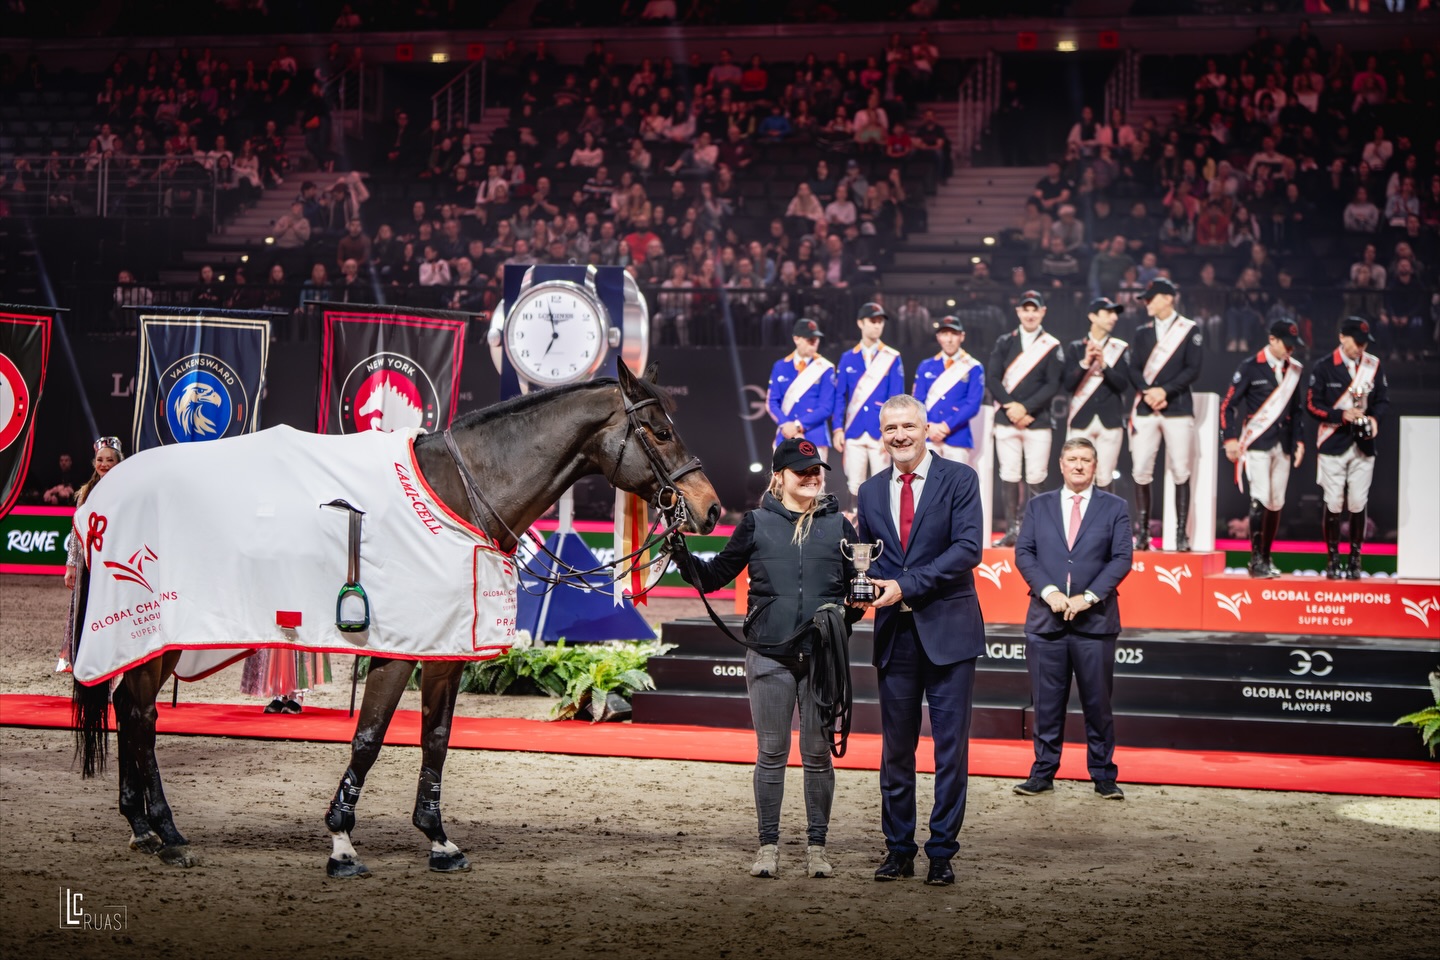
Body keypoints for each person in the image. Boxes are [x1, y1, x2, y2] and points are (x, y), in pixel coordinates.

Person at [670, 439, 860, 880]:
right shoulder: (756, 523)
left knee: (817, 755)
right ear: (779, 476)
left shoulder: (841, 526)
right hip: (770, 657)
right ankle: (768, 846)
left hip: (822, 658)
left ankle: (817, 847)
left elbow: (858, 587)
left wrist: (844, 615)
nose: (812, 477)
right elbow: (715, 576)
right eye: (802, 471)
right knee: (771, 754)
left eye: (817, 470)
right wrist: (683, 557)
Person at [855, 394, 985, 887]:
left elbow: (968, 549)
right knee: (896, 752)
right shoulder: (868, 491)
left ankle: (942, 852)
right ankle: (898, 849)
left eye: (909, 426)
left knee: (950, 752)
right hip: (896, 637)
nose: (900, 436)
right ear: (882, 433)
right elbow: (870, 560)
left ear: (927, 428)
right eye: (891, 429)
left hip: (948, 634)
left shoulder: (960, 479)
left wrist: (904, 586)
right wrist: (857, 589)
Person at [1012, 437, 1133, 801]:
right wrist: (1050, 593)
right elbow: (1024, 553)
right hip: (1046, 623)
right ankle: (1043, 773)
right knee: (1046, 704)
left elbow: (1121, 559)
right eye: (1072, 459)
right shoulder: (1038, 505)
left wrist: (1088, 598)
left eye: (1086, 460)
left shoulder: (1116, 507)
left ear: (1095, 466)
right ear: (1061, 465)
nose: (1078, 466)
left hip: (1094, 624)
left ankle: (1104, 776)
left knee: (1098, 704)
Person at [1221, 320, 1308, 578]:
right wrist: (1230, 439)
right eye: (1286, 345)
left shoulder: (1294, 370)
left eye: (1294, 346)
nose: (1290, 351)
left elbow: (1297, 410)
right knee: (1259, 497)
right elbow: (1228, 405)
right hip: (1257, 443)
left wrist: (1299, 441)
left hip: (1282, 445)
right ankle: (1255, 559)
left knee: (1275, 502)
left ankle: (1267, 557)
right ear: (1272, 339)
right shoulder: (1250, 367)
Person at [1305, 317, 1389, 581]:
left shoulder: (1373, 365)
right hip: (1333, 442)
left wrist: (1374, 419)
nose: (1361, 348)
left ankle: (1355, 558)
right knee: (1333, 502)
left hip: (1364, 444)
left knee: (1357, 503)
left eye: (1365, 343)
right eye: (1357, 342)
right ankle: (1333, 559)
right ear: (1342, 337)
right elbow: (1312, 405)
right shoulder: (1324, 367)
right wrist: (1341, 415)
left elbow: (1383, 401)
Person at [1127, 277, 1203, 551]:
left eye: (1151, 298)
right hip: (1147, 407)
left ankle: (1181, 534)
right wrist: (1148, 391)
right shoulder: (1142, 332)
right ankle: (1143, 532)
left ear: (1168, 298)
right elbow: (1133, 368)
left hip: (1177, 407)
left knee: (1181, 470)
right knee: (1141, 469)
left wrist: (1165, 392)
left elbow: (1192, 369)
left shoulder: (1189, 329)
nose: (1146, 303)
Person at [987, 290, 1063, 546]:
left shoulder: (1052, 345)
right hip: (1007, 419)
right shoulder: (1004, 342)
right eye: (1025, 309)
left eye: (1035, 309)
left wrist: (1026, 409)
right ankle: (1012, 529)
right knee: (1008, 473)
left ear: (1042, 312)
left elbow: (1053, 384)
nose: (1030, 314)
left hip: (1038, 421)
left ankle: (1035, 532)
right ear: (1018, 312)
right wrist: (1010, 407)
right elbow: (993, 378)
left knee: (1036, 475)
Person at [831, 303, 905, 511]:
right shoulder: (848, 357)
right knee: (854, 484)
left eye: (880, 322)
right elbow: (839, 397)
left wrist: (891, 432)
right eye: (873, 321)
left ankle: (882, 531)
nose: (877, 326)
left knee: (883, 484)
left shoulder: (892, 357)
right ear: (860, 323)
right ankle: (855, 530)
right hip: (854, 431)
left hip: (879, 432)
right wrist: (837, 428)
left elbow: (896, 400)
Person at [60, 438, 124, 672]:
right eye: (100, 460)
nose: (104, 464)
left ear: (119, 462)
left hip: (115, 562)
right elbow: (76, 532)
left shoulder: (127, 490)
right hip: (89, 562)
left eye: (110, 460)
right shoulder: (86, 493)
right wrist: (70, 566)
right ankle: (81, 658)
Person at [1064, 298, 1130, 490]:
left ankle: (1105, 521)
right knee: (1078, 478)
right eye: (1108, 313)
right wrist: (1085, 363)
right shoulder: (1076, 347)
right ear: (1092, 316)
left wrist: (1104, 365)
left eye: (1115, 313)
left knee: (1104, 477)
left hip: (1110, 420)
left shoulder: (1120, 348)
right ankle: (1079, 521)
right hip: (1081, 419)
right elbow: (1068, 384)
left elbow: (1123, 384)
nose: (1114, 317)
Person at [912, 316, 984, 467]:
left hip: (958, 436)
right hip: (928, 436)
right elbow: (917, 402)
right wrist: (929, 427)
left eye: (954, 334)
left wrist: (946, 426)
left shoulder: (974, 367)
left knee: (956, 488)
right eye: (945, 334)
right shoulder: (925, 366)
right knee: (928, 487)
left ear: (962, 336)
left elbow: (973, 404)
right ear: (938, 337)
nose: (949, 339)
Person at [767, 319, 836, 453]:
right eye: (809, 338)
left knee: (815, 475)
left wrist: (798, 426)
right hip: (785, 435)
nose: (814, 342)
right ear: (796, 339)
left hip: (815, 436)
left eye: (816, 338)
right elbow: (772, 402)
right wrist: (785, 424)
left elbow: (826, 407)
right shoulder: (780, 366)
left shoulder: (825, 368)